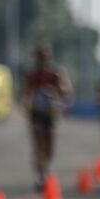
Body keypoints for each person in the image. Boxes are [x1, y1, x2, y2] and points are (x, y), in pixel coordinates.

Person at [22, 46, 71, 190]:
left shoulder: (55, 74)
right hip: (36, 113)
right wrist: (26, 105)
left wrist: (55, 91)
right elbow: (26, 93)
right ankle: (39, 175)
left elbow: (65, 91)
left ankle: (46, 167)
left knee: (50, 147)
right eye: (40, 58)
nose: (42, 61)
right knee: (38, 145)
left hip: (50, 114)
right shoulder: (32, 75)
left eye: (45, 58)